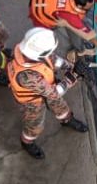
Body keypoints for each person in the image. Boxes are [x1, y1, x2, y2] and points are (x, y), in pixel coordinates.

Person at [7, 27, 88, 160]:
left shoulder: (32, 52)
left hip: (46, 89)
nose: (52, 53)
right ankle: (27, 141)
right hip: (32, 103)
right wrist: (73, 76)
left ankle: (66, 120)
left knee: (61, 108)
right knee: (34, 125)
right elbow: (55, 93)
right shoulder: (26, 76)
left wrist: (70, 66)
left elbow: (53, 60)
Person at [29, 0, 97, 54]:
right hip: (41, 16)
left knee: (71, 25)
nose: (91, 8)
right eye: (88, 8)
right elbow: (88, 37)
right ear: (79, 6)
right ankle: (81, 51)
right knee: (47, 40)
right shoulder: (70, 16)